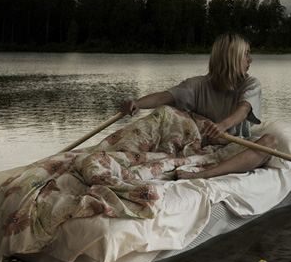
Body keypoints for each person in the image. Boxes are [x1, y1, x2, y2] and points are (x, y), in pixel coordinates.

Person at [119, 32, 279, 181]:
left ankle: (204, 174)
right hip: (201, 147)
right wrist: (137, 103)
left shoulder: (251, 84)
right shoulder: (198, 85)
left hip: (234, 146)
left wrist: (222, 126)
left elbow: (243, 110)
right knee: (164, 111)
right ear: (232, 57)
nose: (250, 60)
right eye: (246, 54)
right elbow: (163, 97)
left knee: (270, 141)